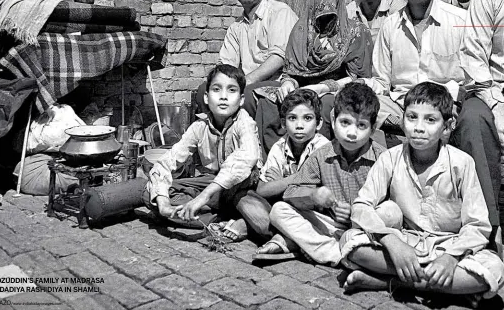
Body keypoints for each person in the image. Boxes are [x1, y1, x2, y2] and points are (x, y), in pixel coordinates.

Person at [363, 0, 501, 244]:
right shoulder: (389, 26)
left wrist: (446, 105)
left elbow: (472, 75)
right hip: (402, 109)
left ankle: (488, 228)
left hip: (446, 108)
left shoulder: (460, 20)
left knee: (476, 119)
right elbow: (381, 80)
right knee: (360, 110)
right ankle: (369, 214)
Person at [341, 82, 504, 305]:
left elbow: (477, 225)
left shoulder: (461, 163)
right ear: (402, 121)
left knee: (494, 269)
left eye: (430, 120)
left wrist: (451, 258)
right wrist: (393, 243)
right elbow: (361, 206)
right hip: (405, 245)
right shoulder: (390, 158)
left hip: (449, 246)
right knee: (350, 243)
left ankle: (391, 282)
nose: (419, 127)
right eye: (412, 117)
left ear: (447, 126)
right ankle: (442, 286)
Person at [259, 83, 385, 265]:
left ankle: (336, 251)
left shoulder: (382, 158)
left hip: (366, 229)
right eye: (345, 123)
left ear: (373, 128)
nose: (351, 133)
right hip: (332, 227)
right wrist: (313, 196)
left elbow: (391, 207)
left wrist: (356, 214)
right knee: (279, 211)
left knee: (390, 213)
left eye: (362, 125)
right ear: (333, 120)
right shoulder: (322, 155)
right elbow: (290, 193)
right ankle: (339, 254)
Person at [253, 0, 374, 154]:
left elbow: (358, 78)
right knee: (268, 101)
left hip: (338, 89)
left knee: (325, 106)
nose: (325, 7)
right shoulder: (300, 31)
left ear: (339, 0)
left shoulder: (356, 32)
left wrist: (323, 87)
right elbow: (291, 72)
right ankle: (275, 161)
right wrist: (287, 84)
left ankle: (318, 162)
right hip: (301, 88)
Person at [144, 64, 261, 226]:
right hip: (211, 185)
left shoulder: (245, 123)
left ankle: (205, 216)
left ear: (241, 99)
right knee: (151, 192)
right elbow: (167, 162)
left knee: (260, 221)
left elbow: (246, 158)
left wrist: (202, 198)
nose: (223, 96)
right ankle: (211, 217)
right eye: (216, 89)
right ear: (206, 97)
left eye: (232, 90)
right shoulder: (200, 126)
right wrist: (164, 206)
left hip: (242, 188)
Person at [225, 89, 329, 251]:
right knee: (243, 197)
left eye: (307, 118)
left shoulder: (322, 148)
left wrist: (281, 183)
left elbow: (311, 194)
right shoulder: (280, 146)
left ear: (319, 123)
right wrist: (294, 179)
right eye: (292, 118)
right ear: (283, 123)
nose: (299, 125)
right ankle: (288, 238)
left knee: (282, 211)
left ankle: (262, 231)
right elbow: (263, 190)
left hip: (310, 215)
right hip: (278, 210)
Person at [457, 0, 504, 235]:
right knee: (472, 118)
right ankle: (487, 227)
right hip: (493, 90)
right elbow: (474, 55)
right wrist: (495, 104)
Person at [219, 0, 299, 84]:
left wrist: (245, 82)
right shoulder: (235, 28)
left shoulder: (279, 12)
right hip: (247, 85)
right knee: (205, 91)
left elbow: (278, 58)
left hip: (280, 85)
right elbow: (226, 65)